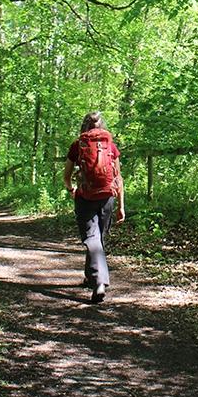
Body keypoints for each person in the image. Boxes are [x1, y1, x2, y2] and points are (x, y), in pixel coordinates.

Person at [62, 111, 125, 303]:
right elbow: (118, 178)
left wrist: (72, 188)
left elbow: (66, 176)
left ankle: (99, 281)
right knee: (99, 238)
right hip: (107, 197)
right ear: (102, 126)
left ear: (84, 126)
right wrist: (121, 205)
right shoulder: (111, 147)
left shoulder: (77, 146)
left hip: (85, 197)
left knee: (92, 238)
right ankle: (91, 278)